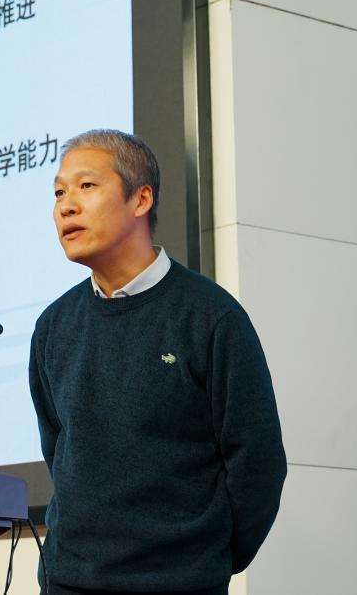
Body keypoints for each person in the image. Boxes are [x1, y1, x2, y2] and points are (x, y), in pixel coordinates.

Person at [29, 129, 286, 595]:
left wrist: (206, 560)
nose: (66, 206)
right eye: (59, 193)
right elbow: (59, 454)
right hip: (70, 584)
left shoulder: (211, 317)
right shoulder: (54, 327)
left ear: (141, 199)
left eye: (86, 186)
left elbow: (258, 464)